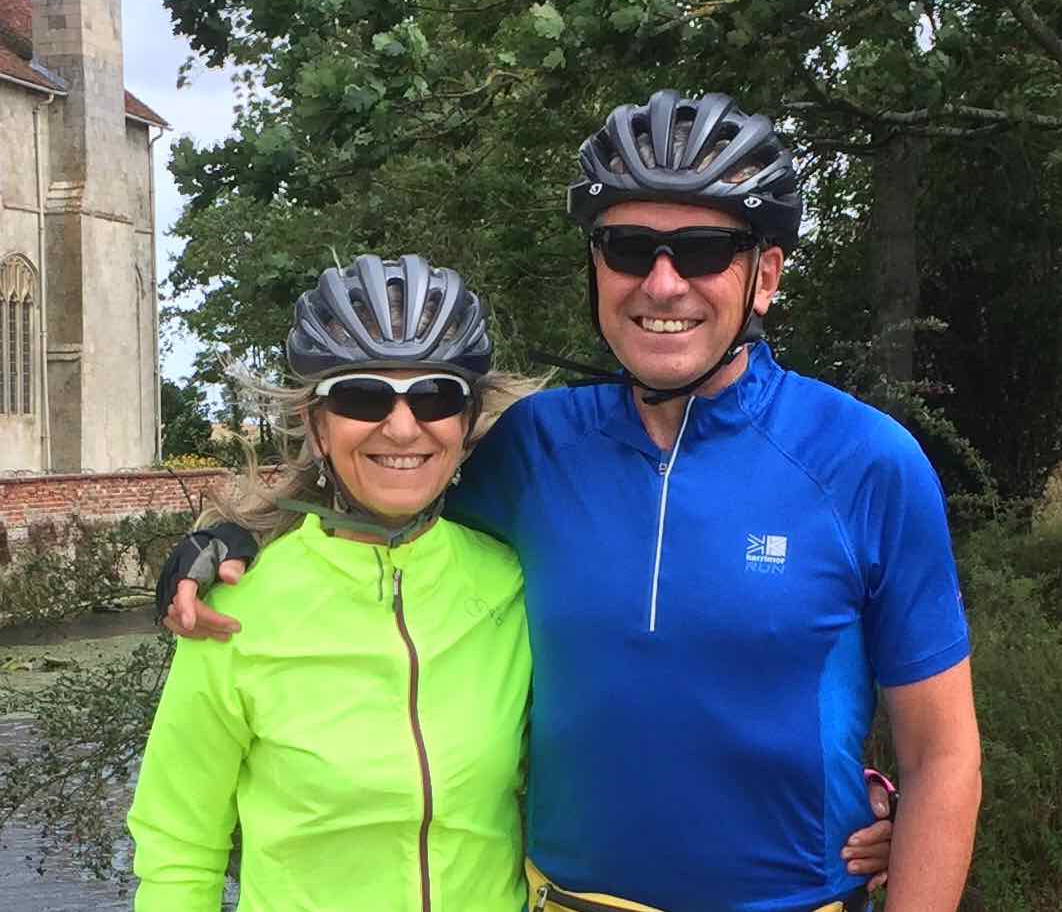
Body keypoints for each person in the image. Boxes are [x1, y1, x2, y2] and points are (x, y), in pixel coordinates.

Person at [161, 90, 972, 911]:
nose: (662, 282)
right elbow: (383, 485)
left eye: (702, 250)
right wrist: (228, 537)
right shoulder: (533, 447)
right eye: (628, 248)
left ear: (764, 274)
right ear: (596, 265)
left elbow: (942, 756)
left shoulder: (865, 463)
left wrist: (895, 816)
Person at [129, 255, 539, 910]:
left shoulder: (514, 583)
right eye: (362, 397)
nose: (401, 426)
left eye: (435, 396)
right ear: (318, 425)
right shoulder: (233, 611)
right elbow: (178, 848)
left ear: (466, 424)